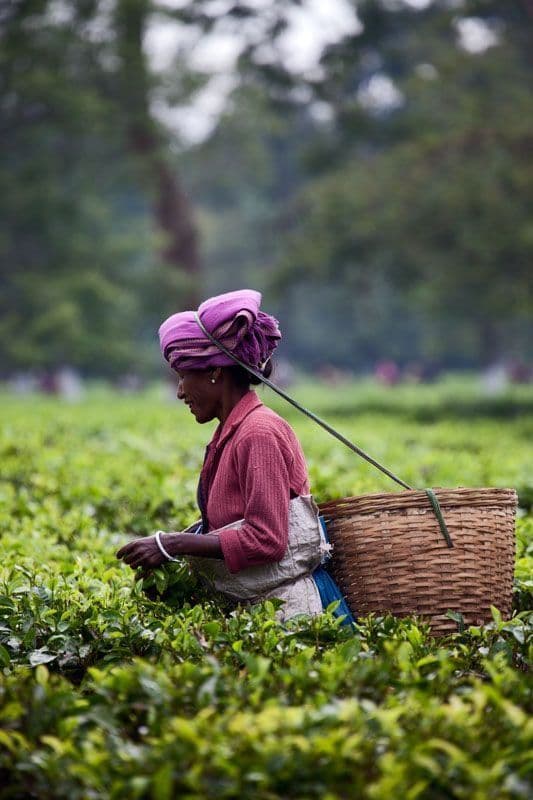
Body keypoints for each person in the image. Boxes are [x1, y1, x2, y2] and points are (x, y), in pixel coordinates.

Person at [116, 289, 353, 623]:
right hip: (259, 609)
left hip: (296, 614)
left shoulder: (259, 432)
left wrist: (171, 543)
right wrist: (171, 556)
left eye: (183, 376)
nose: (180, 391)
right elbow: (229, 528)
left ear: (215, 372)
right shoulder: (231, 433)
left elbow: (266, 539)